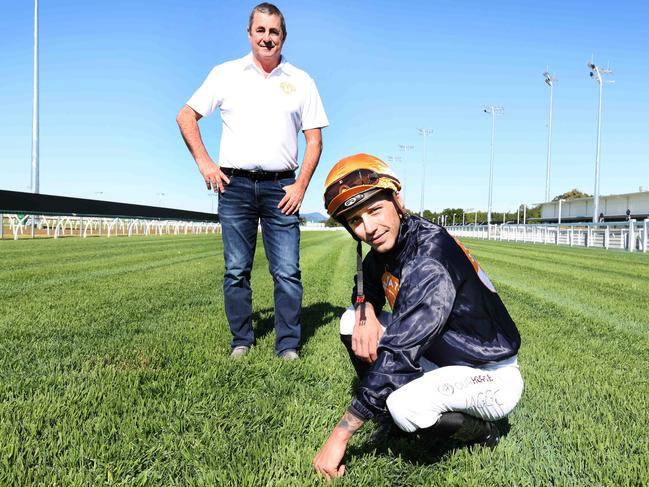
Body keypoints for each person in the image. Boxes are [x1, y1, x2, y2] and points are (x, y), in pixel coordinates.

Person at [313, 154, 523, 479]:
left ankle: (483, 434)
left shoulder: (429, 259)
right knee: (352, 320)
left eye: (374, 210)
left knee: (406, 407)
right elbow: (368, 283)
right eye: (355, 220)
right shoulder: (392, 243)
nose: (368, 228)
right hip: (442, 359)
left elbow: (399, 354)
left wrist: (341, 434)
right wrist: (366, 308)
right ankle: (390, 420)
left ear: (397, 200)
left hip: (489, 373)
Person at [176, 3, 328, 360]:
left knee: (287, 272)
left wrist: (301, 186)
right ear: (249, 34)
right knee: (235, 270)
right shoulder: (226, 74)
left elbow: (315, 140)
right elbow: (186, 116)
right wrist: (205, 164)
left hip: (282, 188)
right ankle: (241, 340)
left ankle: (288, 344)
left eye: (274, 31)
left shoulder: (301, 80)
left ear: (283, 37)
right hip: (235, 187)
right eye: (260, 30)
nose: (267, 37)